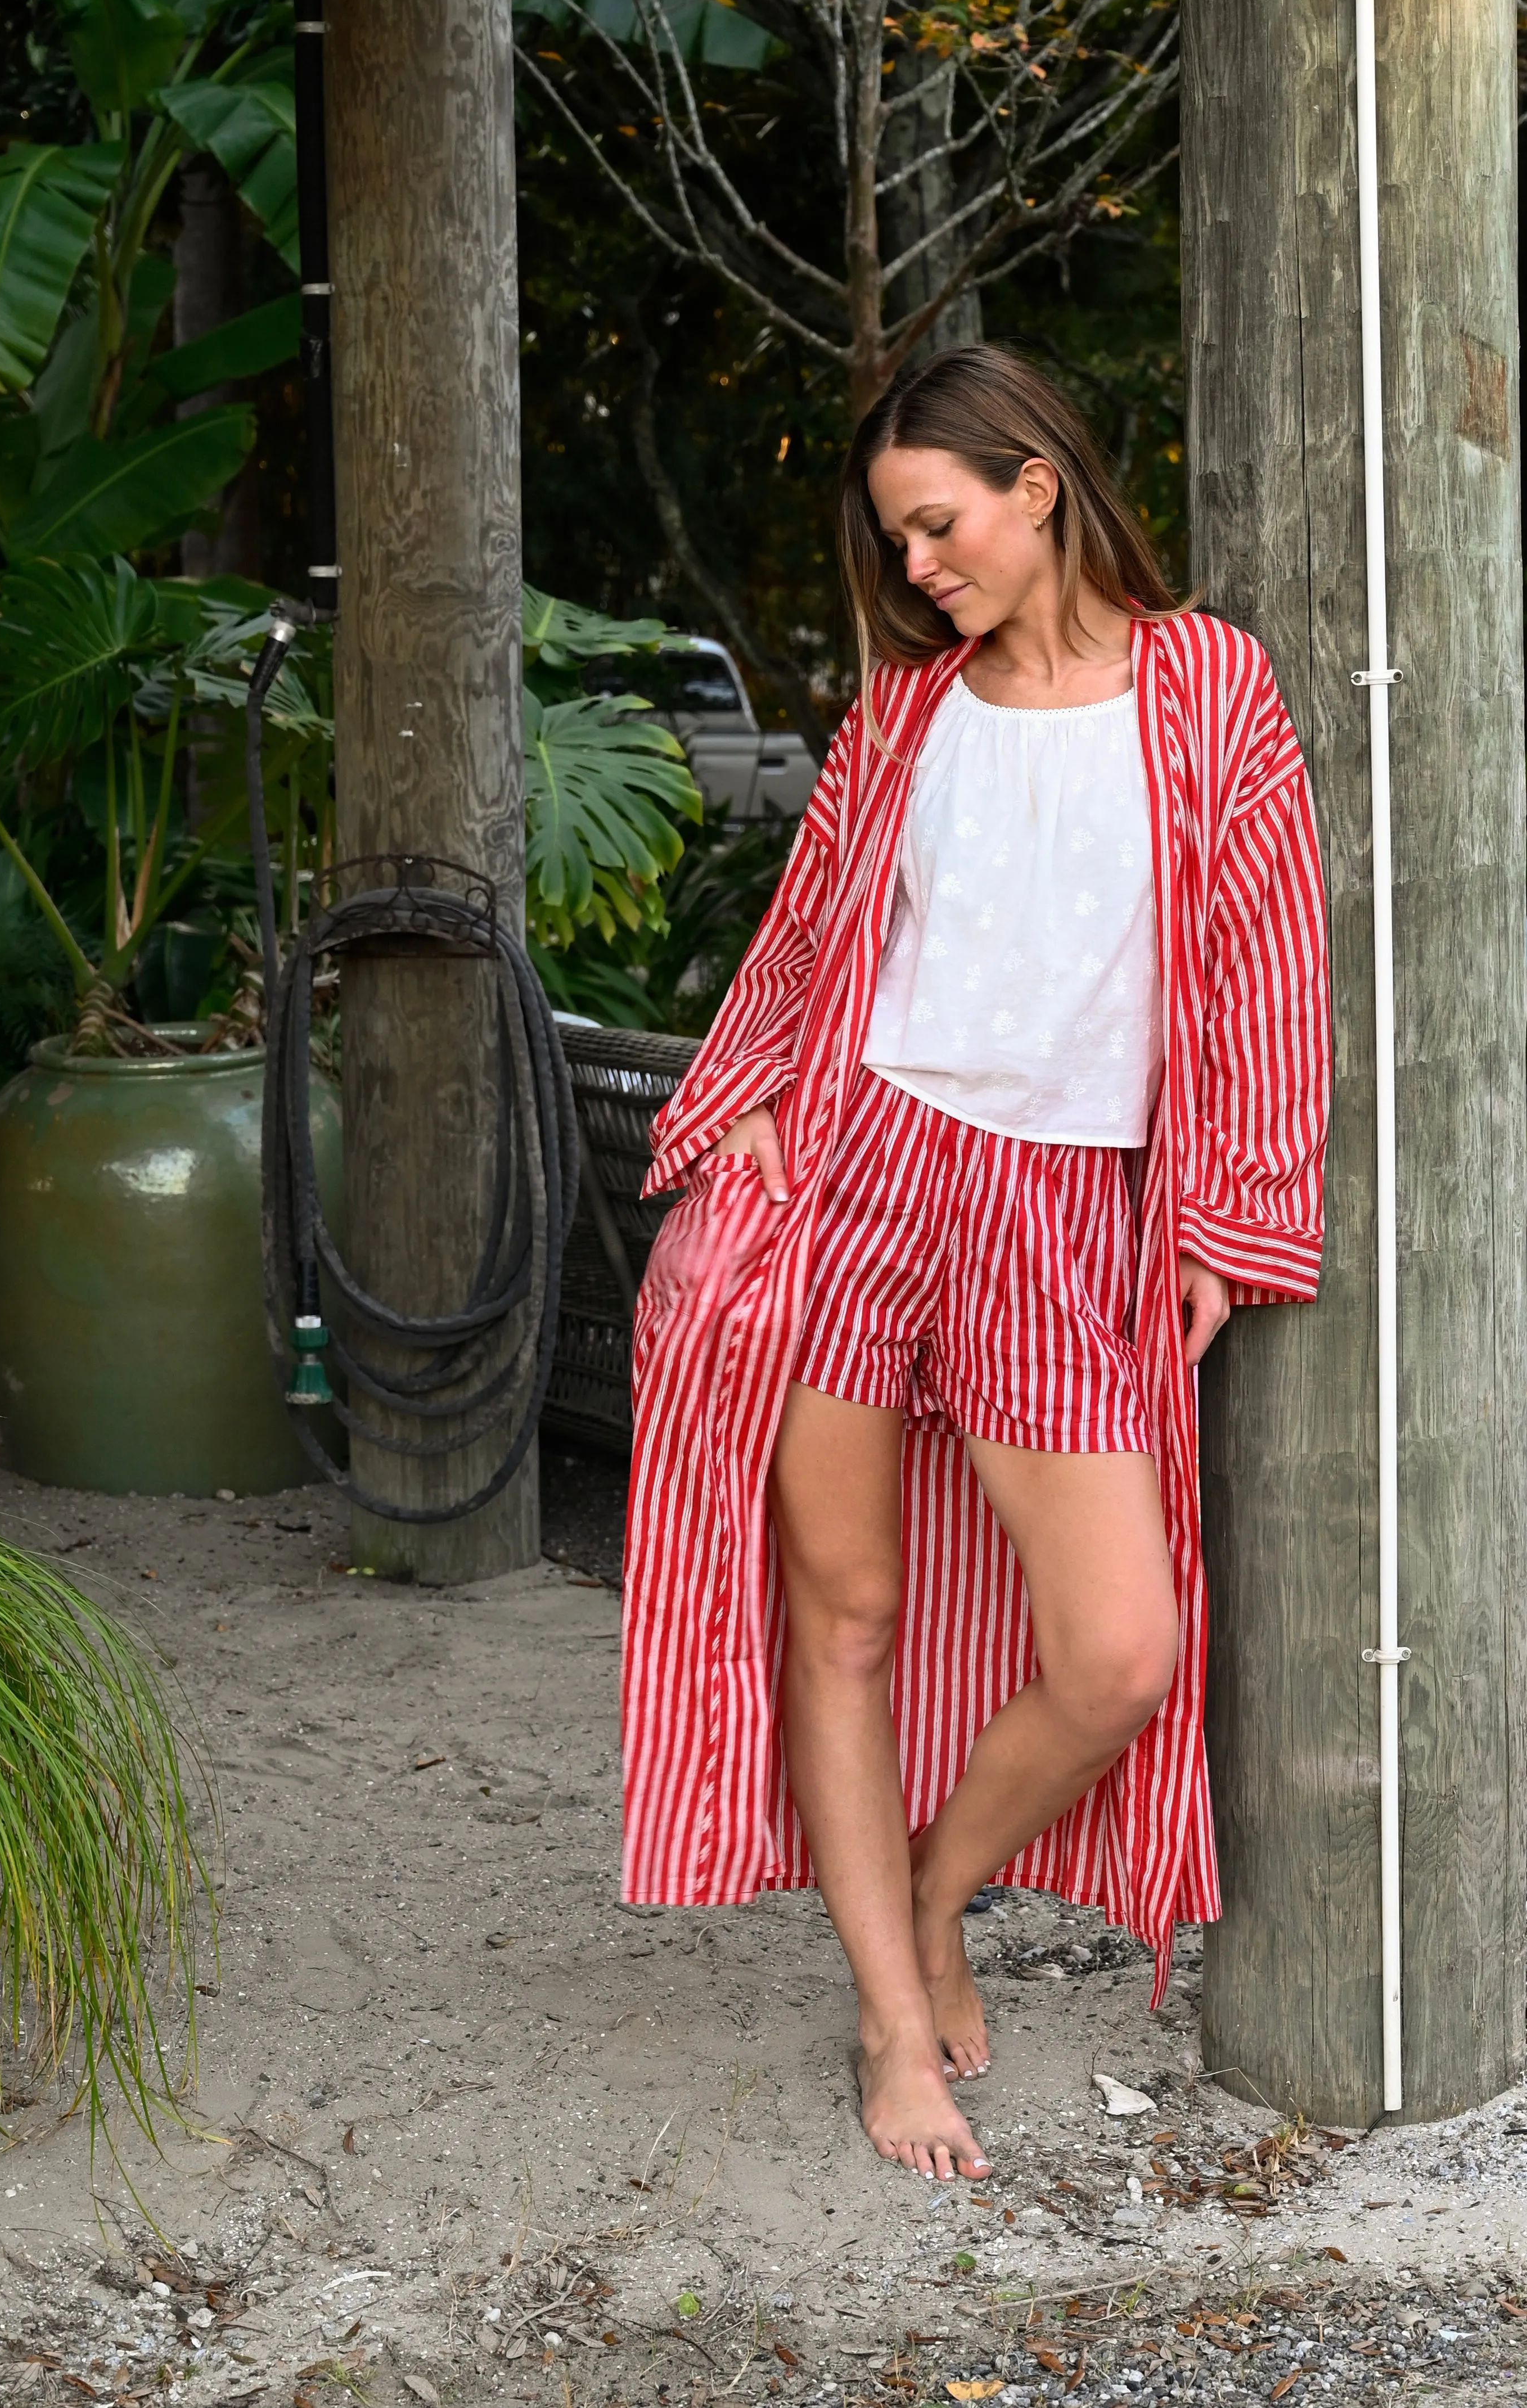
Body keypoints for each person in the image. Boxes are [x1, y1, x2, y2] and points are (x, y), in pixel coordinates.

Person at [621, 344, 1330, 2185]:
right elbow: (807, 946)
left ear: (1037, 483)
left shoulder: (1206, 693)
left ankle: (938, 1894)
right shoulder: (900, 721)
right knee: (837, 1622)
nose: (919, 563)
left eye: (938, 523)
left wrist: (1226, 1215)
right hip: (860, 1186)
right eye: (896, 539)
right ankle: (884, 2005)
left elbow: (1260, 959)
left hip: (1059, 1211)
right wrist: (759, 1107)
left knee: (1116, 1654)